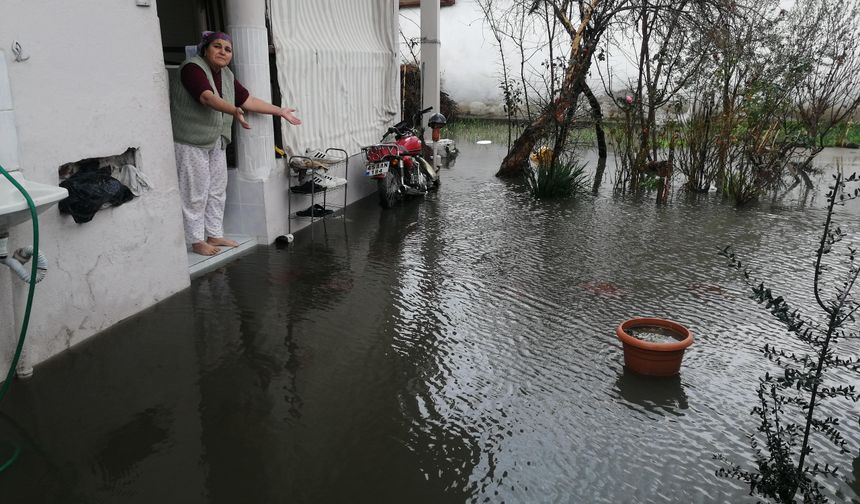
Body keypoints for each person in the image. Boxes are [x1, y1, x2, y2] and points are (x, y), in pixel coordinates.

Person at [170, 31, 302, 256]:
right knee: (195, 192)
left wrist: (279, 111)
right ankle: (196, 240)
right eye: (217, 46)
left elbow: (247, 100)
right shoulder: (192, 68)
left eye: (227, 49)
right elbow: (206, 97)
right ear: (205, 49)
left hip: (216, 141)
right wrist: (233, 110)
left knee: (217, 190)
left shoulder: (227, 75)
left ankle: (214, 233)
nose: (222, 52)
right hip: (191, 142)